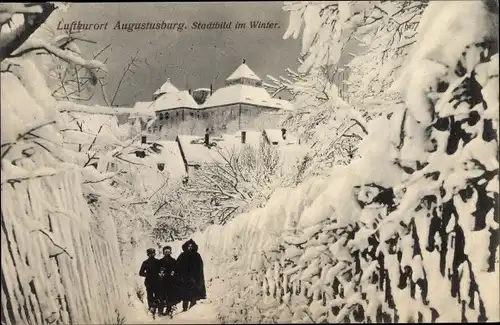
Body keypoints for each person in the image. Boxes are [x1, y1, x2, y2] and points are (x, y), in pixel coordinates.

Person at [176, 239, 206, 312]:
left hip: (194, 279)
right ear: (186, 247)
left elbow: (200, 267)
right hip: (184, 279)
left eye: (191, 246)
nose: (190, 247)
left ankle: (192, 310)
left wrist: (197, 278)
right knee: (185, 295)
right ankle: (184, 310)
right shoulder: (182, 255)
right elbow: (177, 266)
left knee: (194, 295)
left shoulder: (197, 255)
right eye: (188, 246)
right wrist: (180, 276)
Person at [157, 246, 180, 316]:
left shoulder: (174, 261)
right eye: (165, 251)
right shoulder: (160, 261)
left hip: (171, 282)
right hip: (162, 282)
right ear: (163, 252)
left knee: (169, 296)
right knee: (161, 296)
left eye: (168, 251)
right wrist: (160, 274)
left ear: (170, 252)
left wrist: (174, 273)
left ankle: (169, 310)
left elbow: (177, 271)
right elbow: (157, 271)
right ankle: (160, 310)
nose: (167, 253)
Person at [139, 248, 160, 313]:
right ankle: (151, 308)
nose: (151, 255)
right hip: (149, 282)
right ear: (148, 254)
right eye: (150, 254)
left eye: (152, 253)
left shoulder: (158, 262)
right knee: (150, 295)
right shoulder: (145, 263)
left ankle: (157, 307)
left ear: (155, 254)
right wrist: (147, 274)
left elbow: (162, 270)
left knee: (158, 295)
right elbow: (141, 273)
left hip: (157, 281)